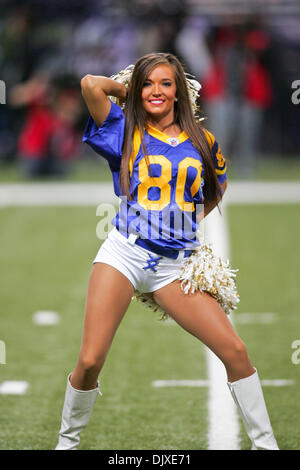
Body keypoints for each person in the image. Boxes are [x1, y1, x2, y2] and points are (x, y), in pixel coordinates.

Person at [55, 52, 279, 450]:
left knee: (236, 351)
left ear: (180, 92)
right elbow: (91, 84)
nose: (156, 91)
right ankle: (67, 443)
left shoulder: (204, 141)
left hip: (174, 267)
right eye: (148, 84)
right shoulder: (123, 129)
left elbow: (214, 192)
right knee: (90, 361)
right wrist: (131, 91)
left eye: (165, 84)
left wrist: (181, 226)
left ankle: (267, 446)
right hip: (124, 253)